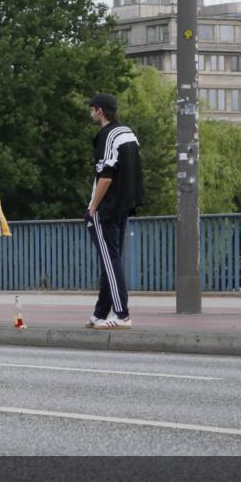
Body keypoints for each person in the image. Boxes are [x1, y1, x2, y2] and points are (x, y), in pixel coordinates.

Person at [84, 93, 144, 330]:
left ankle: (122, 314)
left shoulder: (106, 136)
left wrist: (92, 207)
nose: (90, 113)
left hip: (106, 207)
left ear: (100, 111)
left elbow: (106, 176)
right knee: (112, 260)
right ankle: (100, 313)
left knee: (110, 261)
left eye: (92, 109)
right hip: (124, 205)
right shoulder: (128, 133)